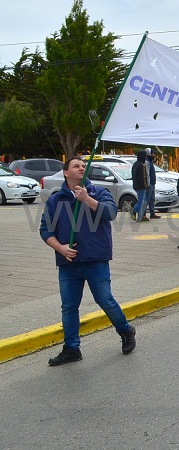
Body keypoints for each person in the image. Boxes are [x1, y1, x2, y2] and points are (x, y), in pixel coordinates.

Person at [39, 157, 136, 366]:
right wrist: (60, 248)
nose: (82, 168)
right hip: (69, 263)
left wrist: (87, 199)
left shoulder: (98, 193)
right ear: (66, 173)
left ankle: (126, 331)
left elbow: (110, 213)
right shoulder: (56, 200)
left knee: (105, 300)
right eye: (76, 166)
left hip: (95, 260)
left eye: (84, 166)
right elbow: (45, 229)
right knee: (69, 307)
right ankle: (72, 348)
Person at [130, 150, 149, 222]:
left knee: (142, 200)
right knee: (141, 201)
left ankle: (140, 216)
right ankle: (134, 211)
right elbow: (143, 177)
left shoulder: (135, 164)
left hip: (136, 185)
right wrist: (145, 185)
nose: (146, 157)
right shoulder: (141, 165)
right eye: (145, 156)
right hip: (141, 186)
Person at [145, 148, 160, 220]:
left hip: (152, 183)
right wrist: (148, 184)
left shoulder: (150, 161)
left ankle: (152, 213)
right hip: (149, 183)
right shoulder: (147, 162)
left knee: (152, 199)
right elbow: (147, 173)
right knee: (147, 199)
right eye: (152, 153)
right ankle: (143, 214)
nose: (154, 155)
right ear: (149, 154)